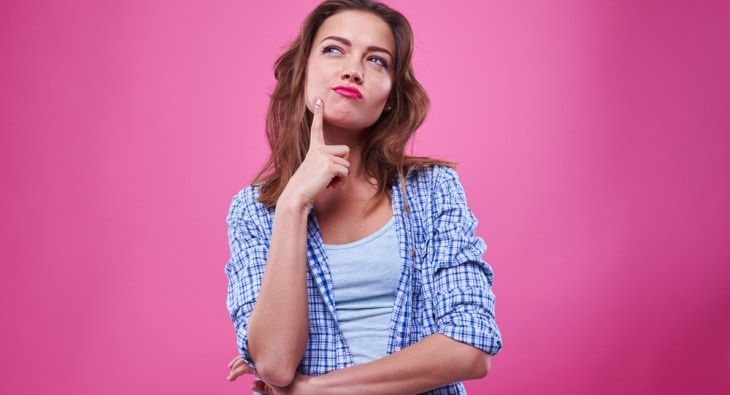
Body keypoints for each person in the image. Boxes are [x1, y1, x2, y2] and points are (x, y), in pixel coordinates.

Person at [224, 0, 502, 393]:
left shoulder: (432, 189)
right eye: (334, 49)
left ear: (390, 95)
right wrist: (292, 204)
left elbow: (471, 346)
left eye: (377, 61)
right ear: (302, 71)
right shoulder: (255, 212)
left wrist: (315, 390)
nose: (352, 70)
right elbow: (275, 363)